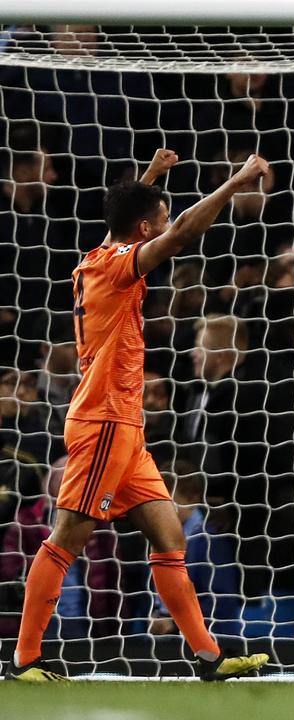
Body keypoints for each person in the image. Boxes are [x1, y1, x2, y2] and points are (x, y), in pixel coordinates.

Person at [6, 149, 271, 682]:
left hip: (126, 428)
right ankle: (25, 659)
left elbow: (122, 221)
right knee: (67, 539)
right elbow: (179, 236)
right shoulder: (116, 269)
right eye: (161, 218)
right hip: (103, 421)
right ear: (145, 229)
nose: (167, 225)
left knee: (169, 537)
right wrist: (236, 181)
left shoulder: (96, 255)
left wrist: (149, 179)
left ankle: (208, 658)